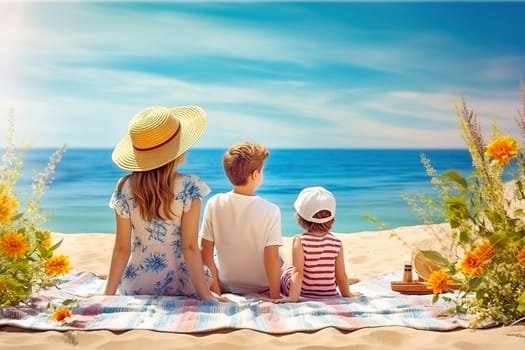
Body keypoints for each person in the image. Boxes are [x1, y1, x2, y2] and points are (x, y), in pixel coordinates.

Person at [104, 105, 222, 301]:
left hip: (137, 283)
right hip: (181, 282)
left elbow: (121, 249)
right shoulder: (190, 186)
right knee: (213, 263)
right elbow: (190, 247)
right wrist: (205, 295)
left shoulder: (124, 186)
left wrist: (106, 295)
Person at [200, 141, 283, 299]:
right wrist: (275, 297)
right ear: (255, 175)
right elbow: (271, 258)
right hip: (262, 285)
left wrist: (216, 291)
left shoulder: (214, 203)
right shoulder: (271, 210)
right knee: (282, 258)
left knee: (217, 257)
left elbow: (205, 254)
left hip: (227, 284)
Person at [274, 186, 359, 303]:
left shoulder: (300, 241)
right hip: (328, 292)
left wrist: (292, 298)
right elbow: (340, 276)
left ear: (300, 218)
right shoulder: (336, 243)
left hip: (303, 291)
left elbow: (298, 272)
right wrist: (347, 294)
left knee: (288, 270)